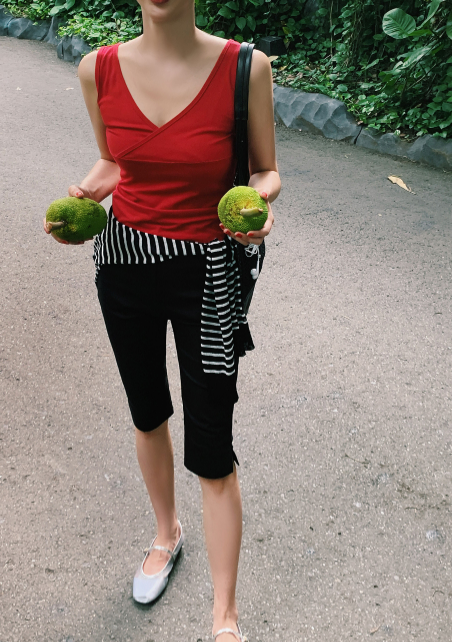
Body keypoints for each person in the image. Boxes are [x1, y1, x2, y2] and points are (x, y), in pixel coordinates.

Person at [43, 0, 280, 640]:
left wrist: (257, 201)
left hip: (208, 272)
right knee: (147, 411)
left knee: (212, 440)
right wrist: (84, 194)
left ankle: (224, 619)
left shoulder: (245, 68)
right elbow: (114, 162)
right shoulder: (98, 69)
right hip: (124, 263)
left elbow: (266, 170)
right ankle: (165, 534)